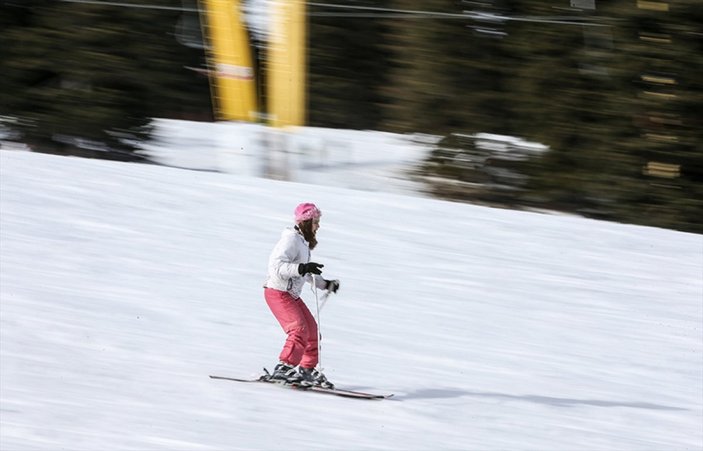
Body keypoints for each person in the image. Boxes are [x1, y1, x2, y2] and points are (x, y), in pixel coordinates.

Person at [263, 202, 340, 388]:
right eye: (316, 221)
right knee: (298, 329)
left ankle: (307, 370)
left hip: (291, 295)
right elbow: (276, 267)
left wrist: (325, 284)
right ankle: (284, 368)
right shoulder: (290, 240)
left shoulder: (302, 243)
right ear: (306, 222)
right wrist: (302, 267)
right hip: (277, 292)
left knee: (312, 331)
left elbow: (305, 273)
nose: (318, 226)